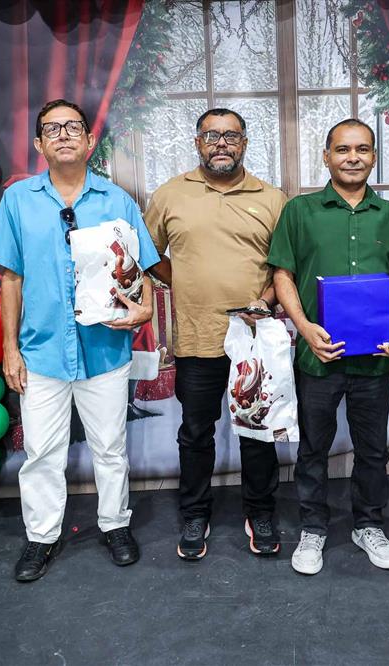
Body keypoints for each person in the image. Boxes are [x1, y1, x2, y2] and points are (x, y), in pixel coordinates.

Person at [0, 99, 161, 581]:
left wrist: (145, 308)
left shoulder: (117, 200)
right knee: (41, 453)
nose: (63, 135)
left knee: (110, 447)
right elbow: (11, 279)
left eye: (73, 127)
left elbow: (141, 269)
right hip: (41, 353)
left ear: (90, 140)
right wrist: (10, 350)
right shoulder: (19, 201)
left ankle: (115, 525)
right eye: (52, 129)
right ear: (39, 144)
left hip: (104, 351)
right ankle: (42, 537)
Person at [268, 118, 389, 575]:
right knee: (313, 449)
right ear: (327, 156)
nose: (353, 157)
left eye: (362, 149)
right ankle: (313, 529)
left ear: (373, 155)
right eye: (342, 149)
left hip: (374, 359)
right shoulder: (300, 211)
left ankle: (368, 525)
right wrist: (303, 328)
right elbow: (282, 275)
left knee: (373, 450)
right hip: (318, 357)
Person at [146, 108, 288, 560]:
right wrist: (185, 283)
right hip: (197, 337)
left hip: (254, 340)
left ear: (244, 142)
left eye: (230, 135)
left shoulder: (272, 199)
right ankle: (194, 513)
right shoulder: (169, 195)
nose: (221, 143)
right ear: (197, 143)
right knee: (195, 432)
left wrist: (265, 301)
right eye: (211, 136)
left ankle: (260, 511)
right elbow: (147, 254)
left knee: (257, 430)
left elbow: (285, 267)